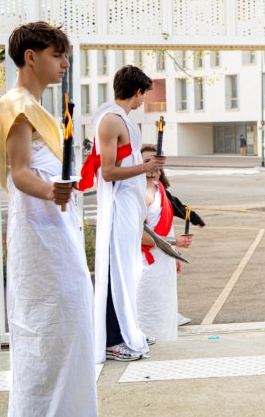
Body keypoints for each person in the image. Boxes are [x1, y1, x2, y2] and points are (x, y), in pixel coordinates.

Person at [0, 22, 121, 417]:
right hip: (41, 235)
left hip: (53, 229)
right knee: (52, 332)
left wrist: (61, 189)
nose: (65, 63)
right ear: (31, 57)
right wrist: (55, 189)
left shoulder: (35, 108)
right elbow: (19, 174)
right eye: (58, 55)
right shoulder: (16, 106)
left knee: (63, 332)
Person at [80, 65, 165, 362]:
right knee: (115, 271)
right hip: (118, 208)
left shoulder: (121, 120)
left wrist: (145, 167)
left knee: (126, 271)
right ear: (137, 92)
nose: (144, 101)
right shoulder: (111, 122)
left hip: (128, 207)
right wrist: (145, 167)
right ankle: (113, 339)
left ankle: (128, 330)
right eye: (144, 95)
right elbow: (108, 172)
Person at [137, 144, 194, 343]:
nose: (152, 165)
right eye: (146, 161)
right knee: (148, 309)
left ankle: (164, 345)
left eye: (155, 161)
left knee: (165, 308)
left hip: (164, 263)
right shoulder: (139, 194)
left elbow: (166, 227)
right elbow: (137, 235)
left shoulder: (159, 189)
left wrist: (174, 253)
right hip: (146, 264)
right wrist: (174, 242)